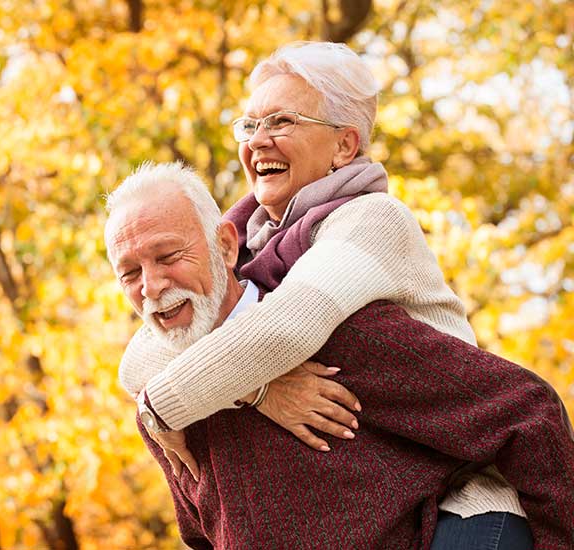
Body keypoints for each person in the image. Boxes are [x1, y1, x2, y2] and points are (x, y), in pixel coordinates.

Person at [117, 42, 537, 547]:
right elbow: (144, 352)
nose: (258, 141)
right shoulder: (247, 239)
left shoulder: (373, 220)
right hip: (388, 497)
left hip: (458, 496)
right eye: (249, 126)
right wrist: (259, 391)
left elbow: (285, 330)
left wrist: (160, 406)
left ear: (343, 146)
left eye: (282, 122)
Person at [103, 163, 574, 548]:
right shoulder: (162, 407)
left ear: (226, 245)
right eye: (129, 273)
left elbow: (528, 412)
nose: (151, 287)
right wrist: (257, 390)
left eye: (168, 256)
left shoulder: (342, 334)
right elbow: (203, 535)